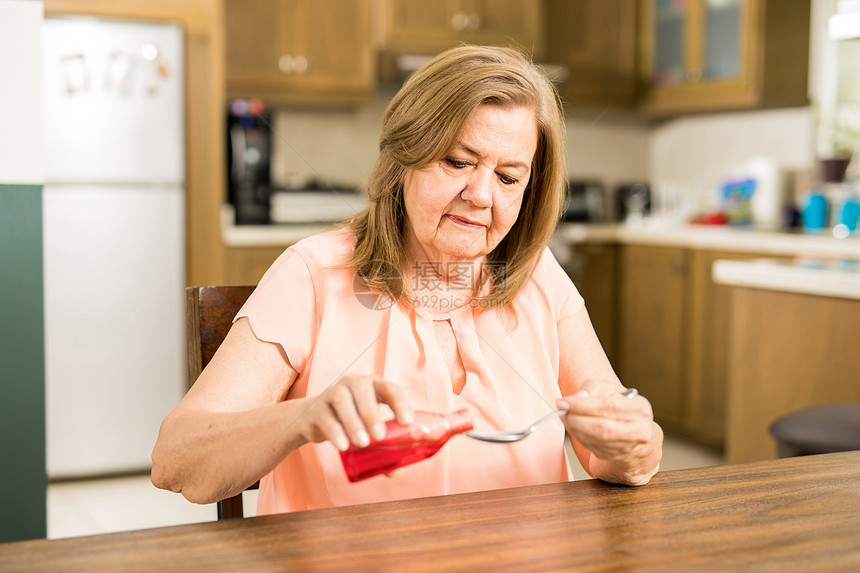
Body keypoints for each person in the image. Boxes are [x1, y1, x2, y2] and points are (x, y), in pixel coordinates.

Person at [151, 45, 663, 514]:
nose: (482, 195)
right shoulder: (312, 274)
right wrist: (300, 419)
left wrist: (632, 446)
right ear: (403, 161)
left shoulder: (538, 276)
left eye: (509, 177)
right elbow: (176, 461)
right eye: (458, 162)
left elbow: (615, 448)